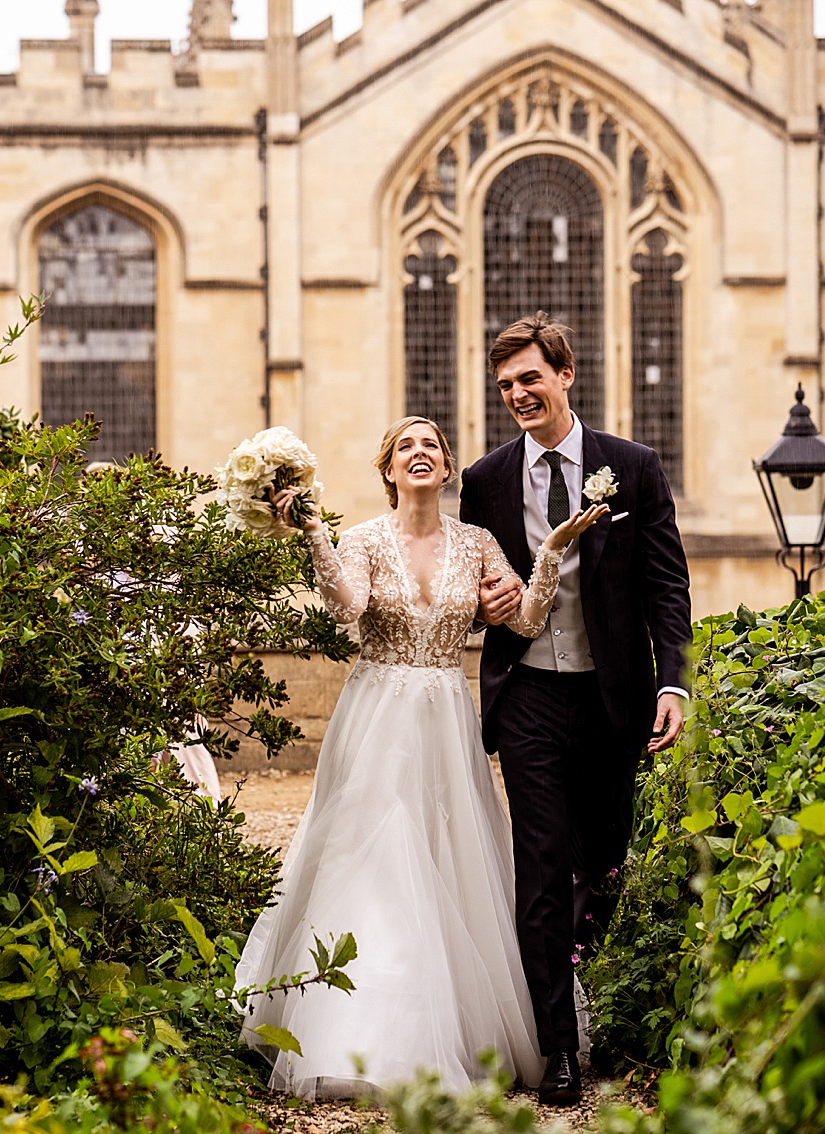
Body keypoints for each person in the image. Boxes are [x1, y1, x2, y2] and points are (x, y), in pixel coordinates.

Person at [236, 415, 607, 1100]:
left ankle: (458, 1035)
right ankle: (360, 1038)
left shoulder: (477, 543)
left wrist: (551, 550)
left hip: (445, 713)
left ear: (446, 466)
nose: (419, 454)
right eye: (405, 446)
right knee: (373, 858)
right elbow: (345, 609)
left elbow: (524, 621)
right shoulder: (362, 539)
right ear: (386, 469)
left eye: (430, 446)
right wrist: (316, 531)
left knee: (449, 858)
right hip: (376, 713)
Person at [460, 311, 692, 1105]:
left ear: (565, 374)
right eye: (505, 386)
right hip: (526, 692)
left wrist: (673, 683)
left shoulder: (632, 466)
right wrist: (484, 601)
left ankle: (589, 987)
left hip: (611, 694)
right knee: (542, 868)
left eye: (530, 378)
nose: (518, 394)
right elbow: (472, 585)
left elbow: (667, 583)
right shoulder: (486, 482)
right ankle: (559, 1050)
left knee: (604, 857)